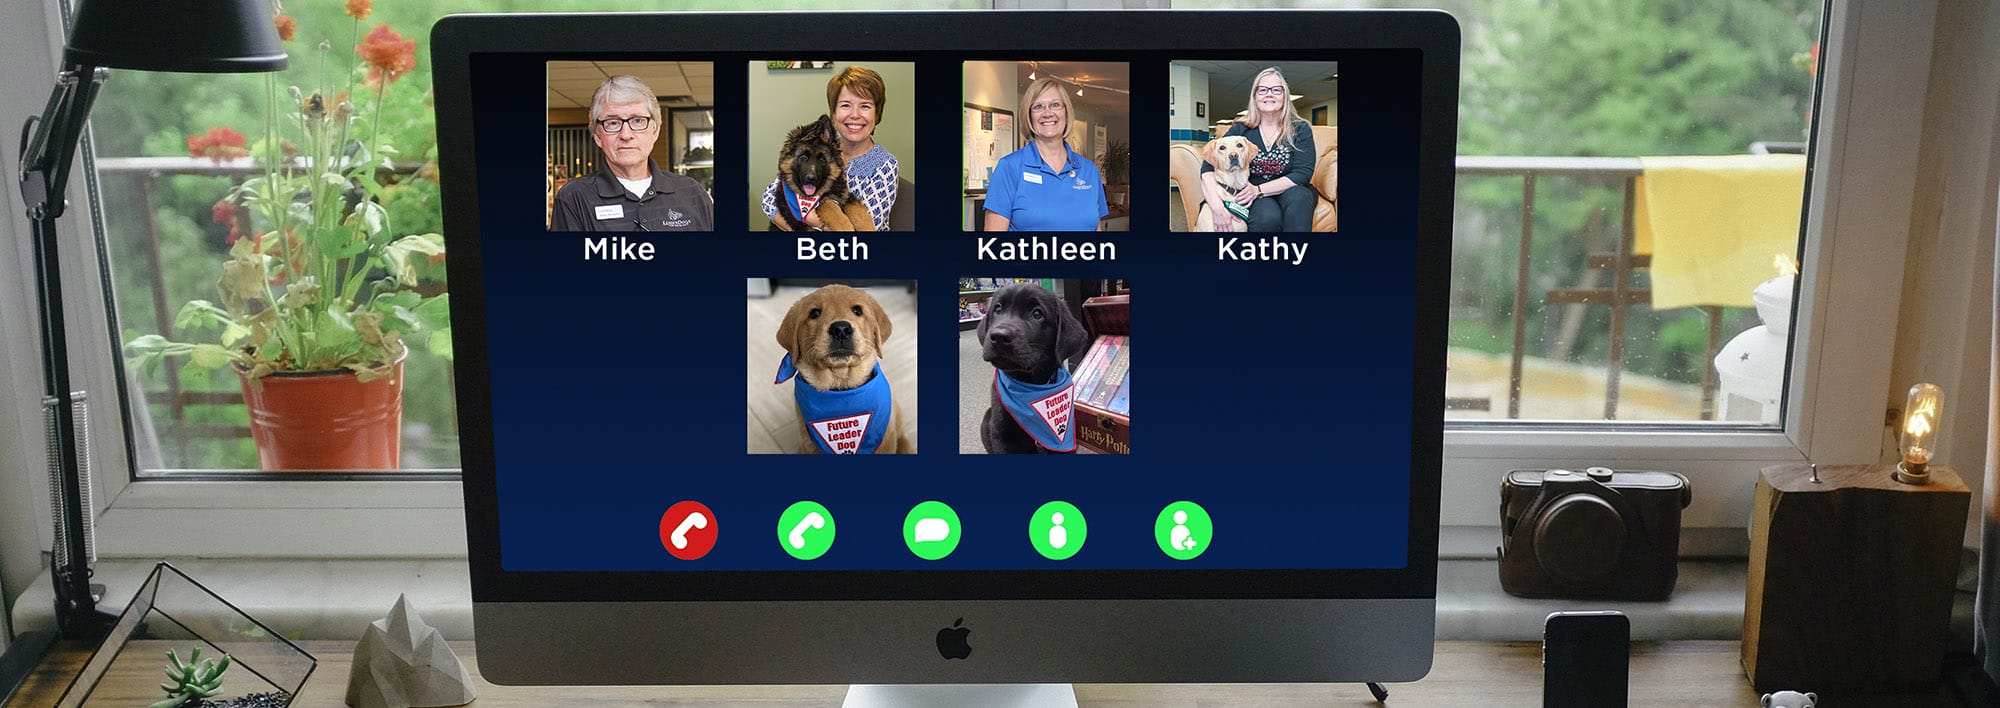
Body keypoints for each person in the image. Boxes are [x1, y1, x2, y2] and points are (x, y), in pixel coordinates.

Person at [551, 75, 714, 232]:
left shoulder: (692, 193)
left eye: (637, 121)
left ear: (655, 131)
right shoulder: (573, 198)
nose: (626, 135)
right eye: (613, 123)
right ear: (598, 136)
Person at [764, 66, 900, 231]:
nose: (855, 114)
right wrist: (794, 224)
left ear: (876, 114)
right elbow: (769, 198)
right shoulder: (816, 146)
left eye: (865, 106)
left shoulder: (884, 165)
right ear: (834, 114)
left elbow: (866, 230)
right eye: (845, 105)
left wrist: (813, 221)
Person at [983, 77, 1108, 232]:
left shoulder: (1089, 171)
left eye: (1055, 105)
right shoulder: (1009, 168)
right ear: (1029, 116)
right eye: (1038, 107)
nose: (1047, 113)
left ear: (1066, 112)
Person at [1201, 67, 1317, 232]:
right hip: (1254, 194)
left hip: (1289, 189)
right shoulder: (1241, 128)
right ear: (1255, 96)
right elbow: (1208, 166)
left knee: (1300, 199)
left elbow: (1302, 173)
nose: (1269, 94)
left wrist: (1259, 190)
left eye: (1276, 90)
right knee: (1266, 218)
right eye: (1262, 90)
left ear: (1285, 96)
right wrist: (1216, 206)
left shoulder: (1300, 128)